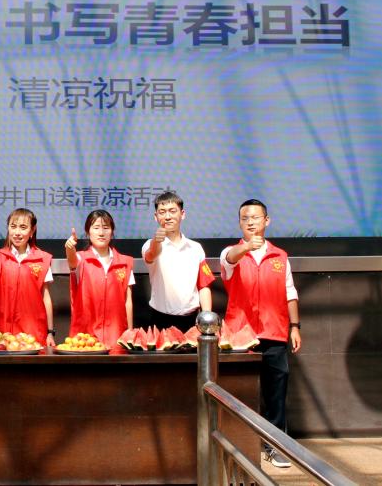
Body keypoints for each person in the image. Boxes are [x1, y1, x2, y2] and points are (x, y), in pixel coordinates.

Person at [219, 199, 301, 469]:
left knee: (275, 392)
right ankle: (237, 443)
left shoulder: (280, 256)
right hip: (239, 335)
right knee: (238, 390)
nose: (250, 222)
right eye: (245, 218)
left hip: (274, 332)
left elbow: (290, 292)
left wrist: (295, 326)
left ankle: (274, 445)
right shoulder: (231, 252)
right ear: (239, 223)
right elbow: (229, 261)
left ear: (267, 221)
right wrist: (246, 247)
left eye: (255, 217)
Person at [0, 208, 56, 346]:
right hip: (3, 329)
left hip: (33, 331)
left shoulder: (42, 259)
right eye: (13, 227)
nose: (17, 232)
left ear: (32, 231)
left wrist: (50, 332)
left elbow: (46, 297)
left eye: (23, 227)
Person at [142, 191, 215, 331]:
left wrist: (207, 316)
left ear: (182, 214)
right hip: (161, 319)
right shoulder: (149, 244)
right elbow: (151, 254)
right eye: (162, 212)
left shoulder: (196, 248)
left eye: (172, 211)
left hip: (192, 319)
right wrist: (156, 240)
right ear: (155, 217)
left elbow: (203, 284)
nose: (167, 216)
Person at [64, 209, 135, 348]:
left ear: (112, 232)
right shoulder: (81, 259)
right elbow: (72, 261)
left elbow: (128, 300)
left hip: (116, 335)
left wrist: (130, 332)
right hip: (84, 338)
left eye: (106, 228)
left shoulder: (125, 262)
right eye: (96, 228)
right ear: (88, 232)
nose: (101, 233)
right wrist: (69, 248)